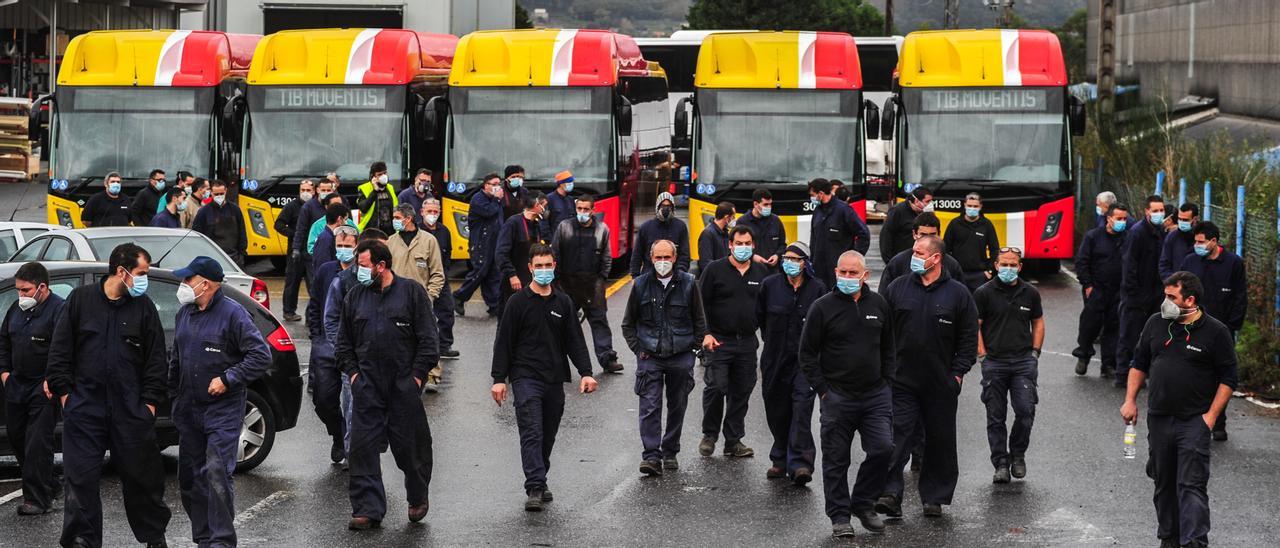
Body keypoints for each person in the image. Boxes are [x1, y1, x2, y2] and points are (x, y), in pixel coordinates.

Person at [46, 244, 171, 548]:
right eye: (141, 273)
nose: (145, 280)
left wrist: (149, 405)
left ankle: (154, 537)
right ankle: (82, 540)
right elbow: (59, 352)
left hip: (130, 412)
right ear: (121, 271)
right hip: (84, 410)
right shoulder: (80, 301)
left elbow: (156, 361)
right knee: (81, 481)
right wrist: (66, 398)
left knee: (143, 480)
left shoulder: (144, 309)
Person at [1120, 271, 1237, 548]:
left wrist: (1210, 418)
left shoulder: (1216, 332)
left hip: (1193, 422)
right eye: (1165, 295)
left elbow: (1229, 379)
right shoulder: (1156, 323)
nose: (1165, 301)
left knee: (1191, 484)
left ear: (1190, 300)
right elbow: (1139, 363)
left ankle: (1193, 542)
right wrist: (1130, 400)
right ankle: (1169, 538)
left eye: (1172, 297)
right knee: (1163, 483)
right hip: (1159, 420)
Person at [169, 257, 270, 548]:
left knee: (216, 474)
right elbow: (176, 357)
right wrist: (173, 396)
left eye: (189, 280)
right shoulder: (184, 313)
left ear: (207, 284)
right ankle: (203, 537)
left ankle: (222, 541)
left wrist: (227, 379)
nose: (184, 285)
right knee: (189, 478)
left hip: (222, 410)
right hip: (188, 408)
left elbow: (261, 356)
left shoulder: (233, 315)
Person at [336, 240, 436, 529]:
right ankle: (368, 508)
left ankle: (417, 496)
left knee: (410, 449)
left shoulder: (411, 293)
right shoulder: (355, 297)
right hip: (367, 388)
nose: (358, 271)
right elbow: (344, 345)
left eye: (364, 266)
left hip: (403, 387)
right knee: (362, 449)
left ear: (381, 266)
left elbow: (429, 341)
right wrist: (355, 377)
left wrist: (416, 377)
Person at [490, 243, 598, 511]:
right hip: (526, 378)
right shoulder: (516, 303)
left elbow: (575, 339)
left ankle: (540, 475)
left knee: (547, 435)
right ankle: (535, 486)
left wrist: (586, 372)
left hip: (554, 379)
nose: (543, 270)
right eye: (538, 266)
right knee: (532, 432)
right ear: (530, 268)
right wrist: (499, 378)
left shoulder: (563, 303)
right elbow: (503, 342)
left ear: (554, 266)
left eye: (547, 265)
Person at [877, 235, 977, 519]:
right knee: (896, 436)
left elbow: (968, 338)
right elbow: (882, 332)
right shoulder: (897, 288)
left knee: (939, 440)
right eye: (914, 251)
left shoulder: (958, 294)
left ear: (936, 259)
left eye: (920, 252)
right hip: (901, 380)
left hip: (940, 382)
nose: (914, 256)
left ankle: (934, 496)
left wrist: (957, 374)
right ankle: (890, 494)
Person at [799, 251, 895, 538]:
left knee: (883, 449)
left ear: (865, 276)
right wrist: (824, 391)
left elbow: (889, 348)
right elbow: (807, 354)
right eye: (843, 273)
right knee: (836, 458)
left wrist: (887, 382)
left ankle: (863, 504)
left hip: (875, 395)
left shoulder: (879, 304)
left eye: (854, 274)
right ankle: (840, 515)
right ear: (836, 272)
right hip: (837, 397)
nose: (848, 278)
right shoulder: (822, 307)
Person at [621, 239, 709, 476]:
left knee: (677, 405)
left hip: (680, 355)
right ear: (651, 258)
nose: (662, 262)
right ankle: (651, 456)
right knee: (649, 406)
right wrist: (638, 349)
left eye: (666, 257)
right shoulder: (640, 285)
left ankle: (670, 451)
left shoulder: (689, 284)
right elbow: (628, 324)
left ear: (674, 258)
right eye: (658, 258)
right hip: (650, 355)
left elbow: (700, 321)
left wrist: (693, 349)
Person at [757, 242, 827, 483]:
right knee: (777, 410)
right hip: (775, 359)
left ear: (805, 263)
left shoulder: (818, 289)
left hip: (805, 362)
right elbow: (761, 320)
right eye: (786, 258)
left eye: (795, 259)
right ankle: (779, 459)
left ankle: (800, 464)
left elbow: (822, 327)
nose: (789, 262)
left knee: (801, 409)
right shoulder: (770, 286)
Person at [974, 248, 1045, 483]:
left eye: (1013, 265)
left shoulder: (1030, 293)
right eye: (1004, 264)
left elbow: (1038, 322)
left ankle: (1018, 455)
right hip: (994, 362)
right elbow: (976, 325)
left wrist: (1035, 352)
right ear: (995, 265)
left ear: (1020, 267)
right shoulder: (983, 293)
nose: (1008, 269)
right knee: (996, 416)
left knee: (1025, 411)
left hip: (1023, 362)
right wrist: (983, 355)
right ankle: (1001, 464)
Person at [0, 262, 65, 516]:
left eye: (25, 290)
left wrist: (53, 378)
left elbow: (63, 348)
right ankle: (51, 483)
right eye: (18, 290)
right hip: (17, 384)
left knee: (37, 444)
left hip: (43, 387)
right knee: (17, 438)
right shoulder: (16, 309)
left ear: (42, 288)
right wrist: (5, 373)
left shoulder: (58, 310)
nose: (21, 296)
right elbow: (4, 340)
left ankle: (37, 499)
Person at [699, 226, 769, 459]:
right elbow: (699, 305)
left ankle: (733, 440)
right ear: (730, 245)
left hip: (747, 342)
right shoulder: (714, 270)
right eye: (738, 243)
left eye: (747, 243)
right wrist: (705, 333)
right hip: (718, 340)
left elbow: (767, 309)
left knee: (742, 391)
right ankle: (709, 435)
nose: (743, 248)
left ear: (753, 245)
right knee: (717, 387)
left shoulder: (761, 273)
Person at [1179, 221, 1246, 441]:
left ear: (1214, 241)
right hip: (1193, 327)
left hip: (1222, 330)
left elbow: (1239, 296)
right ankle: (1191, 420)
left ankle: (1218, 422)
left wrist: (1232, 325)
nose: (1197, 245)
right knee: (1192, 373)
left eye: (1200, 242)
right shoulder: (1190, 261)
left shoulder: (1233, 263)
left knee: (1221, 376)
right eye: (1195, 241)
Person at [550, 193, 623, 374]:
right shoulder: (564, 227)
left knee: (599, 321)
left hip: (592, 284)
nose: (582, 212)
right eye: (579, 209)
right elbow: (555, 253)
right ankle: (550, 358)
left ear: (593, 210)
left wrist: (601, 279)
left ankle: (608, 359)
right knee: (559, 321)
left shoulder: (602, 229)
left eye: (585, 209)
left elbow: (606, 256)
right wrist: (555, 281)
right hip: (567, 283)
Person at [308, 225, 360, 465]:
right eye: (339, 245)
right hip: (326, 346)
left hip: (352, 348)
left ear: (357, 246)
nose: (343, 250)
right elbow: (315, 304)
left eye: (348, 246)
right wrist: (317, 335)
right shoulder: (325, 271)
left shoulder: (362, 273)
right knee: (323, 398)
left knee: (352, 403)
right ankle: (337, 434)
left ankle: (351, 447)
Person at [388, 203, 447, 390]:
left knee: (428, 336)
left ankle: (432, 375)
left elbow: (437, 273)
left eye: (397, 218)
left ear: (409, 219)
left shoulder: (428, 241)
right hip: (395, 299)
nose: (395, 221)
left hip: (421, 300)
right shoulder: (390, 242)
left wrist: (430, 296)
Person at [1073, 203, 1129, 377]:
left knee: (1113, 327)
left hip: (1119, 291)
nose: (1122, 222)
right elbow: (1082, 262)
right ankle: (1083, 355)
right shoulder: (1093, 237)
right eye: (1119, 218)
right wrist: (1088, 285)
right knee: (1090, 325)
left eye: (1125, 219)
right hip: (1097, 289)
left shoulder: (1128, 238)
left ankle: (1108, 364)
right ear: (1109, 218)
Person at [1117, 195, 1167, 387]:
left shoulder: (1161, 232)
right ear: (1147, 211)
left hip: (1155, 292)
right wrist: (1133, 292)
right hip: (1136, 293)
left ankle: (1144, 373)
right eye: (1155, 210)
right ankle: (1123, 374)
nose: (1159, 214)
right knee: (1129, 334)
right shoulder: (1137, 233)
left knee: (1151, 335)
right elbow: (1129, 264)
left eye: (1161, 210)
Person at [454, 173, 506, 317]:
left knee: (493, 273)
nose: (497, 187)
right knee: (480, 271)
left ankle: (494, 304)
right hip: (480, 243)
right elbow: (489, 212)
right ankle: (459, 296)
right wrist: (496, 200)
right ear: (486, 185)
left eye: (498, 184)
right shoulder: (478, 199)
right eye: (494, 184)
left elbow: (499, 220)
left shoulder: (496, 201)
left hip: (494, 242)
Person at [808, 178, 870, 289]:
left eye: (812, 195)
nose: (811, 198)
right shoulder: (818, 211)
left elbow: (863, 234)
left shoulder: (843, 210)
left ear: (821, 194)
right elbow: (813, 238)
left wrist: (854, 257)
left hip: (838, 272)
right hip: (819, 270)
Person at [879, 212, 964, 291]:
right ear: (914, 234)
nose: (927, 239)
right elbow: (884, 300)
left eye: (932, 235)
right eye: (923, 235)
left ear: (939, 234)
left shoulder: (952, 266)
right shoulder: (897, 263)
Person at [495, 191, 548, 319]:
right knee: (508, 321)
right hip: (513, 282)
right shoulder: (513, 223)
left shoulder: (537, 224)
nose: (545, 209)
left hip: (532, 281)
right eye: (544, 206)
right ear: (536, 205)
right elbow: (501, 252)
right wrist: (512, 275)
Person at [421, 199, 459, 359]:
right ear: (422, 212)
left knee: (447, 311)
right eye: (429, 211)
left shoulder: (444, 231)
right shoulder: (417, 230)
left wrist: (444, 272)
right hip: (422, 277)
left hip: (440, 277)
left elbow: (448, 253)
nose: (432, 215)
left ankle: (444, 345)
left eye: (435, 212)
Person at [943, 192, 1001, 292]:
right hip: (958, 274)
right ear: (964, 205)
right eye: (970, 205)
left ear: (980, 206)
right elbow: (945, 249)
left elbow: (995, 250)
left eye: (975, 206)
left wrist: (990, 271)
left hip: (980, 275)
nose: (972, 208)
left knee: (978, 305)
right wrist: (950, 270)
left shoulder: (986, 225)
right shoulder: (955, 224)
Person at [276, 179, 315, 322]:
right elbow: (279, 224)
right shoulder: (291, 207)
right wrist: (293, 234)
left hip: (311, 250)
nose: (305, 193)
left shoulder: (315, 206)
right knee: (292, 281)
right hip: (295, 250)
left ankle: (313, 313)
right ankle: (289, 311)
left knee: (313, 283)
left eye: (308, 190)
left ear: (313, 191)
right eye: (302, 190)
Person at [630, 191, 691, 277]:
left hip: (673, 278)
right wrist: (635, 277)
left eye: (669, 206)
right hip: (649, 278)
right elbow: (637, 255)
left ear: (673, 208)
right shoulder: (645, 228)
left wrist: (679, 274)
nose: (666, 209)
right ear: (657, 207)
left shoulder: (680, 227)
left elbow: (684, 255)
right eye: (663, 205)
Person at [191, 180, 248, 266]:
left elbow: (242, 231)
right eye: (216, 194)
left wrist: (241, 254)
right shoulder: (203, 212)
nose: (219, 196)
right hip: (211, 257)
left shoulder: (235, 209)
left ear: (226, 191)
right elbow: (197, 234)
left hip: (234, 258)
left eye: (221, 194)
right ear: (211, 193)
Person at [295, 178, 339, 278]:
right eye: (323, 190)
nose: (326, 193)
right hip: (314, 251)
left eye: (328, 190)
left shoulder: (339, 204)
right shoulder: (308, 207)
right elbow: (300, 229)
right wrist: (296, 248)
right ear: (317, 190)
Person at [880, 186, 933, 263]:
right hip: (901, 260)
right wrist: (889, 261)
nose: (930, 204)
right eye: (927, 201)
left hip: (920, 259)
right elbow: (886, 236)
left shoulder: (924, 213)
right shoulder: (897, 211)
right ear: (917, 201)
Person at [737, 189, 785, 272]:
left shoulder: (776, 221)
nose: (769, 207)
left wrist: (777, 255)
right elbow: (737, 246)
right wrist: (752, 257)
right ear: (755, 204)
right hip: (750, 270)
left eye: (770, 204)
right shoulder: (742, 222)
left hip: (772, 271)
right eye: (765, 204)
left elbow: (782, 245)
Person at [1159, 202, 1200, 280]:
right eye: (1179, 219)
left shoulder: (1202, 237)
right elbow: (1164, 265)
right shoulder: (1172, 237)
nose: (1181, 222)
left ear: (1195, 219)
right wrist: (1174, 282)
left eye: (1185, 220)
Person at [356, 161, 398, 235]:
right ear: (373, 176)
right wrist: (374, 191)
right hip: (371, 231)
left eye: (385, 173)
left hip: (390, 232)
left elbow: (396, 207)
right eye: (379, 174)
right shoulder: (364, 188)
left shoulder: (390, 188)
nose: (383, 176)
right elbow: (363, 208)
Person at [312, 202, 352, 273]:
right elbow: (324, 269)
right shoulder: (325, 239)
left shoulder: (329, 236)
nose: (347, 223)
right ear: (339, 219)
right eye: (346, 219)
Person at [697, 201, 734, 276]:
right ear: (727, 218)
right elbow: (705, 263)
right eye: (733, 217)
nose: (734, 220)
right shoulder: (707, 234)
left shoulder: (725, 233)